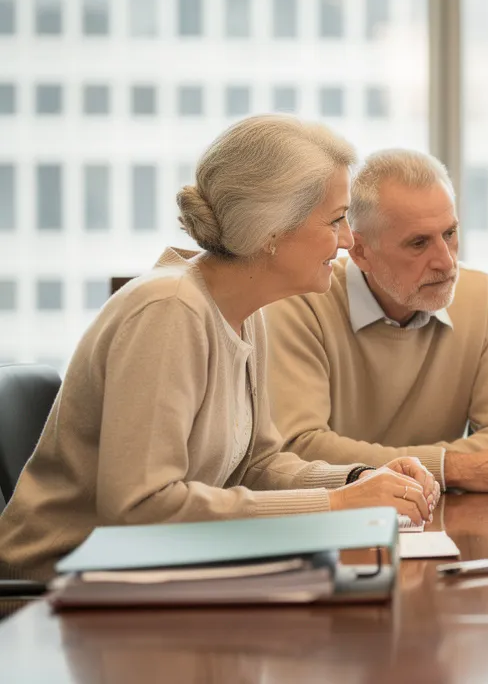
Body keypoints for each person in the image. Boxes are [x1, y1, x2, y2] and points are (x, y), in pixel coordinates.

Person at [0, 115, 440, 581]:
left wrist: (357, 480)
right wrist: (335, 506)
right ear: (271, 230)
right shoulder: (168, 310)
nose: (349, 241)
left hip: (147, 577)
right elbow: (141, 509)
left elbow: (257, 465)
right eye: (335, 220)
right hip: (56, 591)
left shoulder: (245, 312)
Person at [265, 149, 488, 493]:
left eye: (450, 233)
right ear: (361, 252)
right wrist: (449, 467)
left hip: (438, 515)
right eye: (419, 243)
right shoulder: (300, 303)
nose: (445, 261)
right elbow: (298, 448)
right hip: (337, 519)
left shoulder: (482, 296)